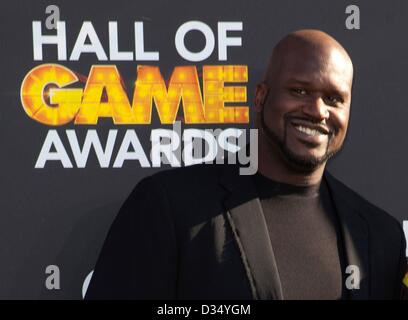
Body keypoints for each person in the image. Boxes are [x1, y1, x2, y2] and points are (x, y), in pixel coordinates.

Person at [85, 29, 407, 300]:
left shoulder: (381, 235)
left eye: (334, 99)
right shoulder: (170, 206)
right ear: (260, 97)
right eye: (299, 90)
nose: (318, 111)